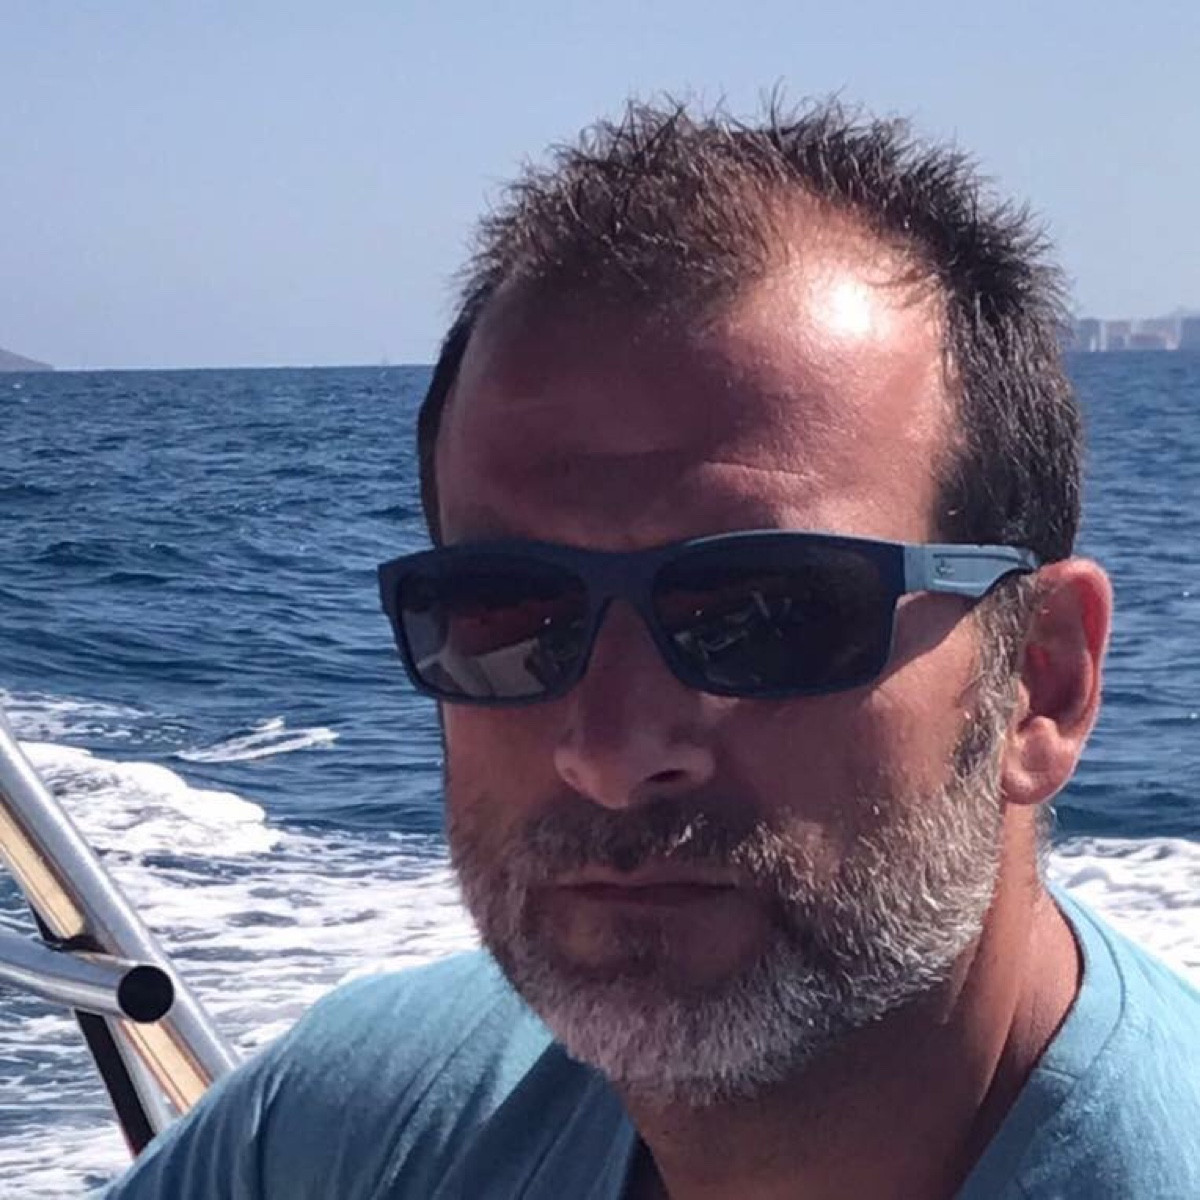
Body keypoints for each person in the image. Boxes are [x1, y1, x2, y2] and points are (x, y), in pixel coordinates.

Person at [107, 99, 1200, 1199]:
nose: (611, 752)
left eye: (772, 612)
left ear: (1038, 682)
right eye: (505, 612)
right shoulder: (346, 1129)